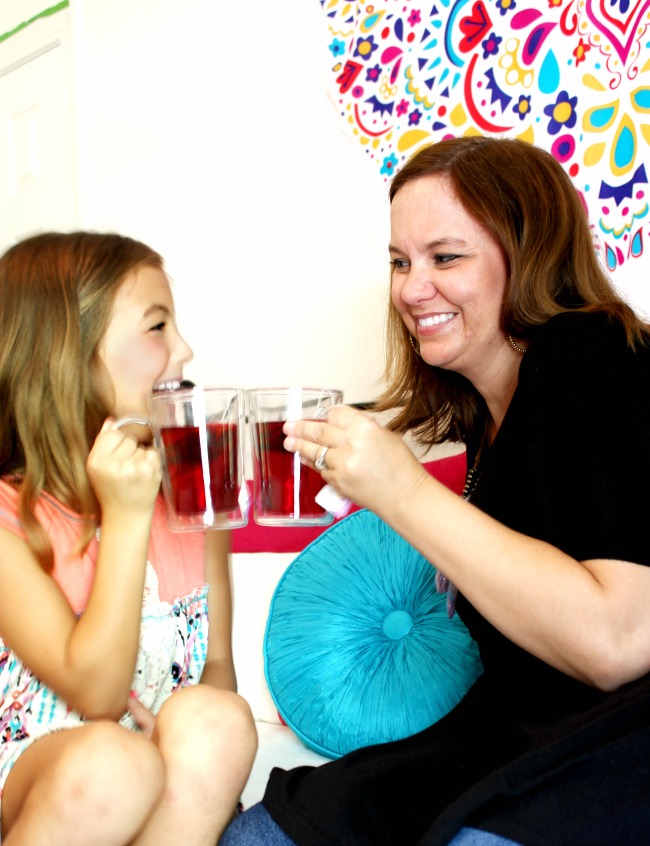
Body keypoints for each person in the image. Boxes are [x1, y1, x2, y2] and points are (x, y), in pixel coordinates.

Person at [219, 135, 650, 846]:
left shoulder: (592, 357)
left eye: (445, 258)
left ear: (529, 253)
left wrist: (402, 492)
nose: (411, 290)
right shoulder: (487, 419)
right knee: (264, 836)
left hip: (619, 739)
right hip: (515, 732)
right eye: (399, 262)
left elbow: (619, 641)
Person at [0, 232, 257, 845]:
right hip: (50, 777)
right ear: (69, 356)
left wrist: (174, 735)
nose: (185, 349)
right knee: (116, 763)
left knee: (218, 718)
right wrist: (127, 515)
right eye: (157, 327)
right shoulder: (7, 523)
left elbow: (216, 667)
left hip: (163, 777)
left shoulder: (197, 500)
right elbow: (95, 693)